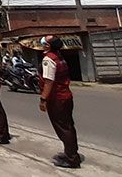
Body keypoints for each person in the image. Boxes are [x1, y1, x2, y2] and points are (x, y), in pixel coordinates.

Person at [39, 35, 80, 168]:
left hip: (57, 98)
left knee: (63, 128)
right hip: (66, 96)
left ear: (49, 46)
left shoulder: (49, 59)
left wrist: (43, 99)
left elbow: (49, 81)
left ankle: (71, 158)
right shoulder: (59, 57)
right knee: (68, 126)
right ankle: (71, 152)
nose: (42, 43)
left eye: (45, 41)